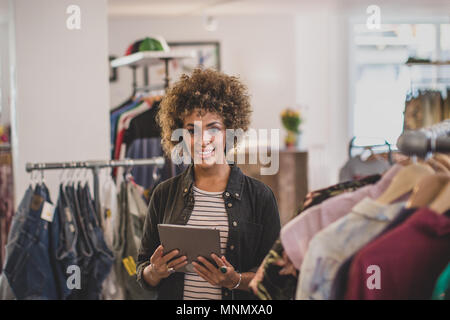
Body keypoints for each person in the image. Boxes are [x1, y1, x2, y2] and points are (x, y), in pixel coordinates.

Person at [136, 68, 281, 300]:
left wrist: (235, 281)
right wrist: (155, 271)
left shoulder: (260, 197)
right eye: (192, 131)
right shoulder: (164, 194)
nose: (203, 140)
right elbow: (144, 275)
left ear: (231, 131)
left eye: (213, 128)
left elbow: (275, 278)